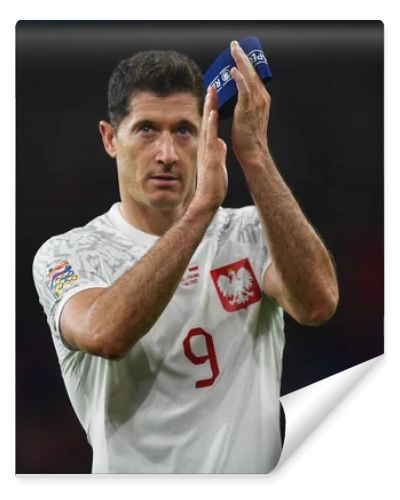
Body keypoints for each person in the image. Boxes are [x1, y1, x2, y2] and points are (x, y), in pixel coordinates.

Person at [32, 41, 339, 473]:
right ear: (109, 139)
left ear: (206, 135)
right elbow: (105, 334)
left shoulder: (252, 229)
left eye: (184, 130)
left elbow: (318, 304)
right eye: (146, 129)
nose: (167, 154)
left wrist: (255, 156)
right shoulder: (68, 254)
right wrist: (200, 212)